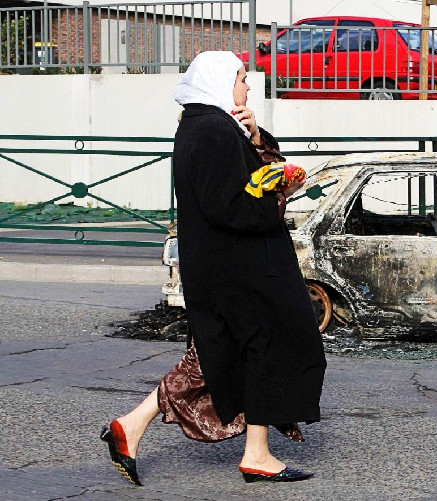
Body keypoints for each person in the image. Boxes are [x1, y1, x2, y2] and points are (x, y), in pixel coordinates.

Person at [100, 51, 326, 486]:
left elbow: (241, 180)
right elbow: (231, 207)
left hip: (225, 265)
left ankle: (133, 426)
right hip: (240, 267)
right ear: (220, 82)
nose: (245, 87)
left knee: (222, 354)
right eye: (241, 79)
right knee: (269, 344)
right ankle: (256, 454)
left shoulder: (208, 125)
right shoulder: (213, 131)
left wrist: (257, 136)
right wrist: (279, 196)